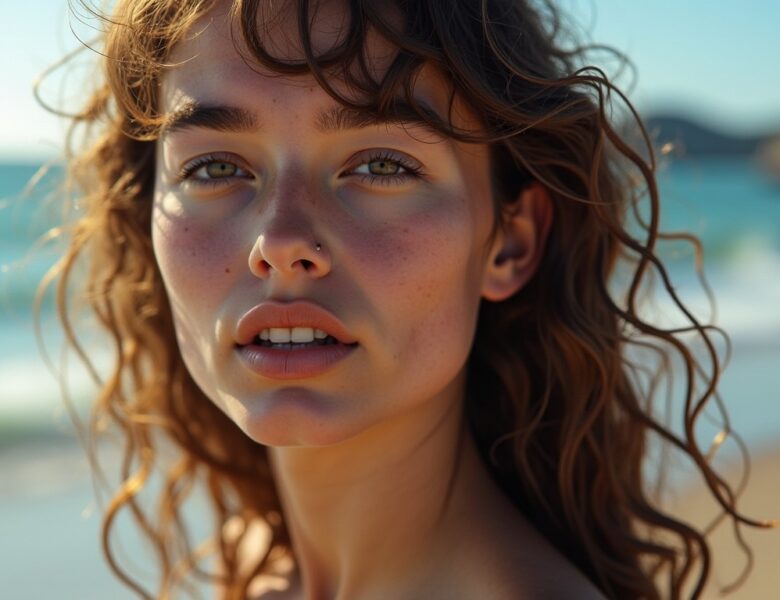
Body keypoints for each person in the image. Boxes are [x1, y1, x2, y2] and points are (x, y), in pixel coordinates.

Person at [40, 0, 772, 598]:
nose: (281, 239)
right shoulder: (255, 565)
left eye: (381, 164)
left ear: (510, 241)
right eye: (215, 166)